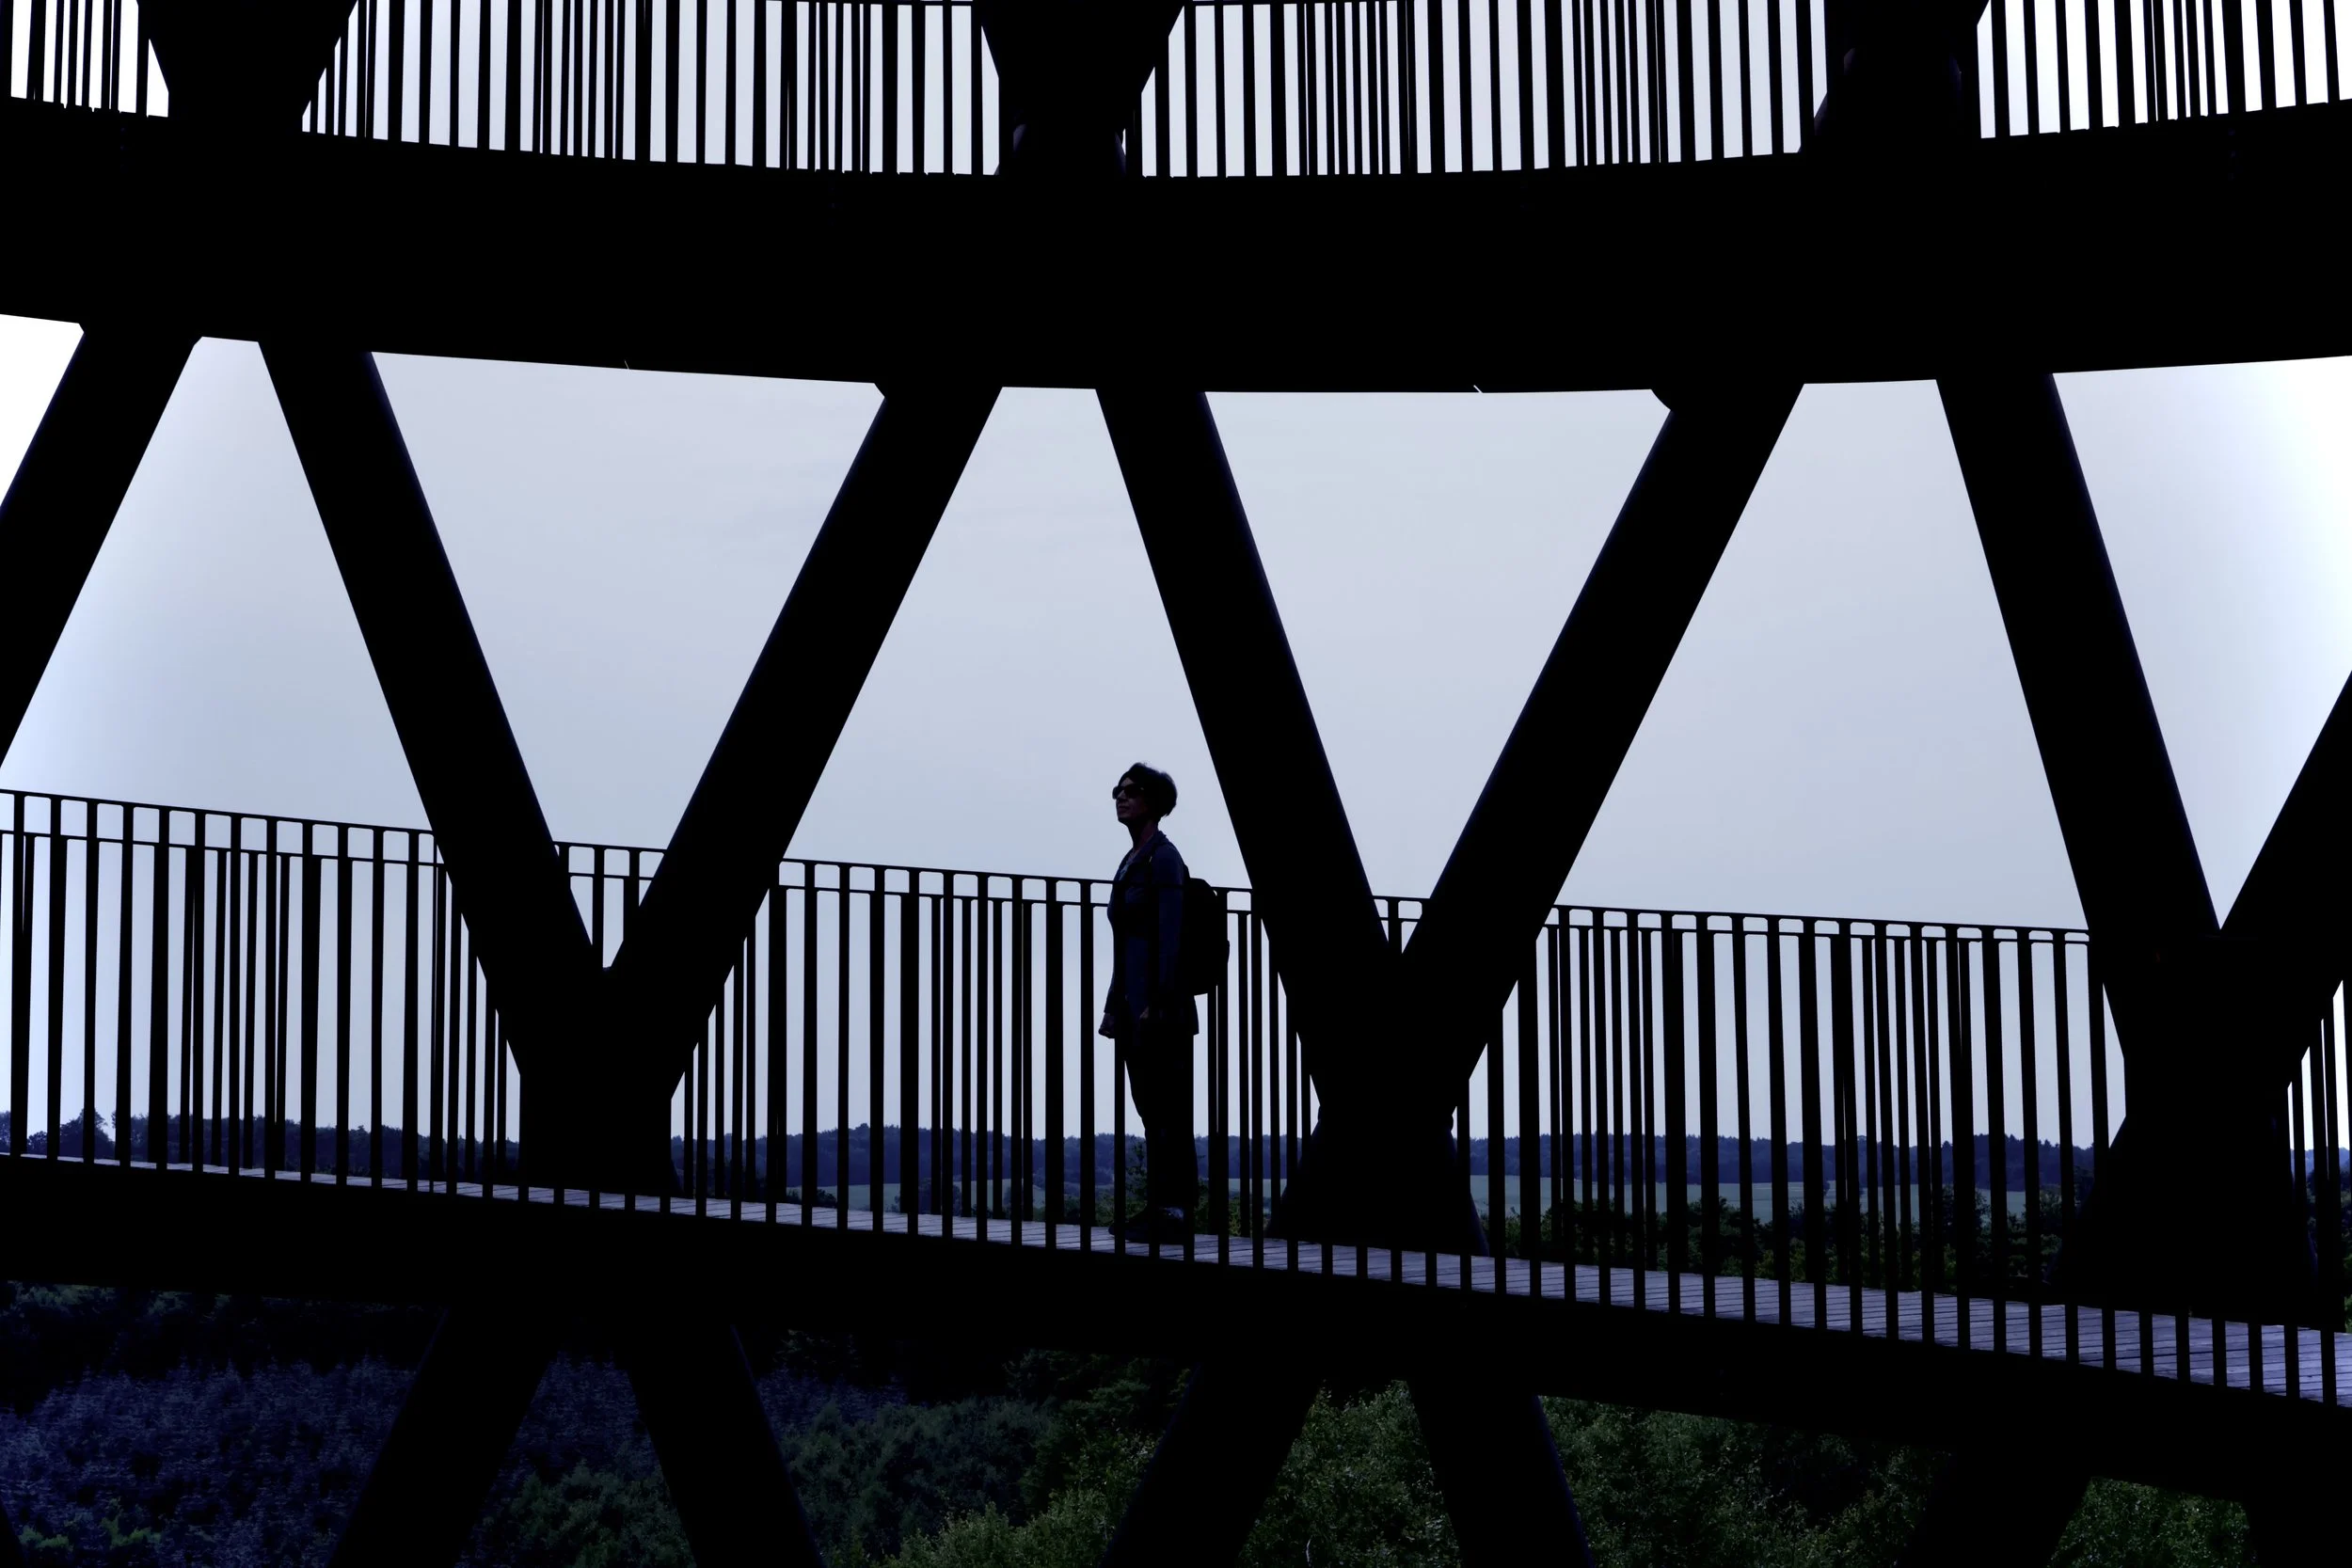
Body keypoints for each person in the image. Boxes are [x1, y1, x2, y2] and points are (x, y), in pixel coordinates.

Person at [1098, 762, 1200, 1243]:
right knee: (1150, 1108)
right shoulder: (1131, 862)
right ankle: (1162, 1207)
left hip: (1162, 1010)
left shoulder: (1163, 859)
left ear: (1154, 802)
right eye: (1117, 790)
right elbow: (1127, 942)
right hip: (1138, 1007)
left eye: (1132, 791)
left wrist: (1157, 1001)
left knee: (1167, 1110)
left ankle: (1174, 1211)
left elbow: (1171, 937)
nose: (1121, 797)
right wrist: (1114, 1003)